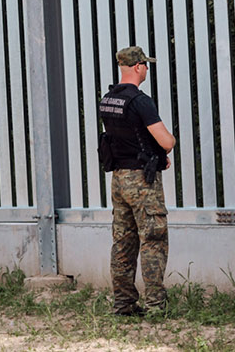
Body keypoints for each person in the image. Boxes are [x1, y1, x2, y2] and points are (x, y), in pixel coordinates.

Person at [98, 45, 176, 316]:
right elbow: (165, 140)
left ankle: (123, 305)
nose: (146, 69)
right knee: (153, 239)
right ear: (137, 67)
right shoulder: (141, 101)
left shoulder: (108, 99)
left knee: (123, 242)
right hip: (142, 181)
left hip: (119, 180)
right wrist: (164, 149)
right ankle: (156, 306)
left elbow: (126, 138)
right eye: (145, 64)